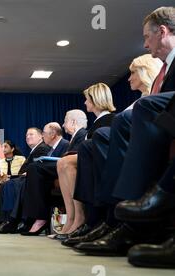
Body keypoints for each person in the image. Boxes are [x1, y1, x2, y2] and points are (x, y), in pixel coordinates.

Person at [73, 7, 175, 258]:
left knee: (141, 108)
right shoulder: (166, 68)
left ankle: (128, 220)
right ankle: (114, 218)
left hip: (164, 122)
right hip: (165, 123)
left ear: (162, 31)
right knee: (104, 135)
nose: (144, 43)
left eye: (147, 37)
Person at [62, 54, 162, 248]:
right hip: (130, 145)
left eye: (133, 73)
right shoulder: (140, 100)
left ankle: (105, 218)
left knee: (94, 142)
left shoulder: (151, 99)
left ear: (145, 72)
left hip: (143, 148)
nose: (128, 77)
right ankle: (96, 219)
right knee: (88, 146)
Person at [54, 83, 115, 239]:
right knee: (63, 163)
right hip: (91, 159)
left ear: (96, 100)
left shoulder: (110, 119)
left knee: (65, 162)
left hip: (103, 162)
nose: (85, 102)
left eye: (87, 99)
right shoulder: (98, 121)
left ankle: (79, 217)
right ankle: (71, 218)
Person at [0, 127, 50, 233]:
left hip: (35, 180)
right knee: (6, 185)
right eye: (27, 135)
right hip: (24, 178)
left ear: (41, 136)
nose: (28, 137)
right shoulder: (35, 150)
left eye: (31, 134)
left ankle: (11, 221)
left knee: (9, 185)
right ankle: (7, 220)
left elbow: (39, 167)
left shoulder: (43, 148)